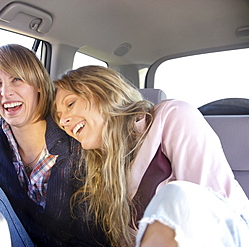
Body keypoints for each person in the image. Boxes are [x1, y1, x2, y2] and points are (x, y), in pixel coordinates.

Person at [53, 65, 249, 247]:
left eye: (70, 104)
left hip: (226, 235)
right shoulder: (104, 170)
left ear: (105, 93)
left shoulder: (172, 116)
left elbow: (205, 211)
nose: (62, 121)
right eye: (58, 115)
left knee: (177, 195)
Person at [0, 44, 111, 246]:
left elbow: (93, 237)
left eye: (17, 79)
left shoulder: (77, 142)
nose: (6, 93)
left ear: (38, 85)